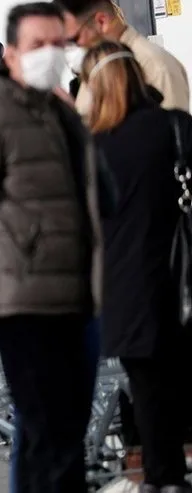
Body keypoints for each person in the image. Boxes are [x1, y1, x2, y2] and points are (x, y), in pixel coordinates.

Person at [0, 3, 108, 491]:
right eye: (37, 46)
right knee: (50, 424)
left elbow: (100, 195)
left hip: (74, 294)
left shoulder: (61, 111)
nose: (50, 55)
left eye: (59, 44)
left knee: (65, 430)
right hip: (18, 296)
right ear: (10, 54)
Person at [84, 40, 192, 493]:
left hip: (127, 287)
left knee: (147, 389)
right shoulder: (176, 127)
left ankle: (163, 477)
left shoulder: (95, 148)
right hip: (181, 275)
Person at [55, 0, 189, 115]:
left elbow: (173, 138)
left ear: (102, 22)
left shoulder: (155, 67)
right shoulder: (97, 67)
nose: (68, 48)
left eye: (73, 39)